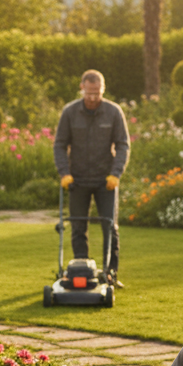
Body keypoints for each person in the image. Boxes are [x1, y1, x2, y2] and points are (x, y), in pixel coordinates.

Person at [53, 70, 129, 286]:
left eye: (97, 93)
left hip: (106, 180)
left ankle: (110, 274)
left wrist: (115, 174)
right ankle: (81, 272)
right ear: (82, 88)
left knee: (110, 227)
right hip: (77, 179)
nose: (93, 97)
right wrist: (64, 173)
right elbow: (60, 144)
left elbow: (123, 144)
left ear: (102, 90)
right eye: (89, 93)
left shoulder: (113, 112)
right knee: (78, 227)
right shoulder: (70, 112)